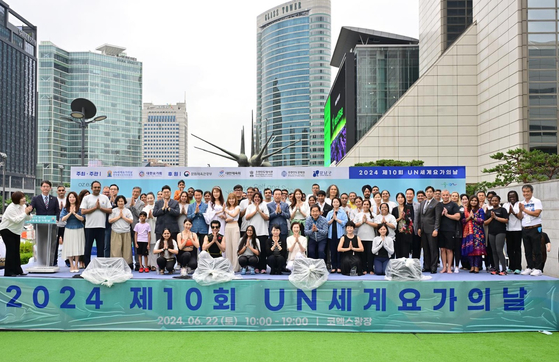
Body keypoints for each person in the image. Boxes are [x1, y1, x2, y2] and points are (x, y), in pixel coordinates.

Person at [0, 192, 33, 276]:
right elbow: (16, 220)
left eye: (24, 197)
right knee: (11, 250)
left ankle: (18, 270)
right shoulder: (11, 208)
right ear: (17, 199)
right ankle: (9, 272)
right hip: (7, 230)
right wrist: (25, 213)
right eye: (22, 198)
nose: (24, 199)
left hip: (16, 231)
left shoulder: (24, 206)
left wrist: (28, 212)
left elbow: (28, 218)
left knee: (16, 251)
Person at [80, 181, 112, 267]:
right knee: (88, 248)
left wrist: (100, 208)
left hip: (101, 226)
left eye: (98, 187)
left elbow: (110, 210)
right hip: (89, 226)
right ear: (91, 188)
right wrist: (94, 208)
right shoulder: (87, 198)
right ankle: (87, 266)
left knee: (100, 249)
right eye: (95, 187)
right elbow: (83, 211)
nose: (97, 189)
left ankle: (100, 267)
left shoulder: (104, 197)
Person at [30, 180, 61, 266]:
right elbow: (31, 208)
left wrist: (56, 219)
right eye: (44, 186)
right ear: (41, 188)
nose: (45, 188)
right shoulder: (36, 199)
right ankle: (41, 262)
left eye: (47, 186)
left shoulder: (54, 199)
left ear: (50, 188)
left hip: (52, 225)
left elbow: (57, 211)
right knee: (41, 244)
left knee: (51, 244)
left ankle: (50, 262)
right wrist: (28, 210)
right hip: (40, 226)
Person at [518, 184, 544, 276]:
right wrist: (521, 210)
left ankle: (538, 268)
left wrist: (524, 209)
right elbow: (520, 217)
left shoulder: (536, 201)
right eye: (524, 192)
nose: (526, 193)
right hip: (525, 228)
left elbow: (536, 213)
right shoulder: (522, 203)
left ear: (531, 192)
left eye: (528, 191)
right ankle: (530, 266)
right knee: (527, 249)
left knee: (536, 248)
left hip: (535, 227)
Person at [435, 190, 461, 274]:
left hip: (450, 230)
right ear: (441, 196)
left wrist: (447, 215)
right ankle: (444, 267)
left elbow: (458, 217)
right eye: (444, 195)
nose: (445, 196)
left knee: (449, 249)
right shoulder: (439, 204)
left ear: (449, 195)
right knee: (442, 249)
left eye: (447, 195)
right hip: (441, 230)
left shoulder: (454, 204)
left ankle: (449, 267)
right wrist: (441, 214)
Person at [417, 186, 440, 273]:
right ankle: (426, 266)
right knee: (425, 249)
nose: (429, 193)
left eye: (430, 192)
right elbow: (421, 216)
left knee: (433, 249)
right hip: (423, 229)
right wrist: (419, 227)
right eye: (427, 192)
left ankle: (433, 267)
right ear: (425, 193)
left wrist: (436, 229)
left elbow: (438, 218)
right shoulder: (422, 203)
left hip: (432, 230)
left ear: (433, 193)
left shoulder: (437, 203)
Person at [60, 191, 85, 273]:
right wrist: (70, 213)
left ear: (76, 198)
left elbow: (82, 219)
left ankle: (76, 264)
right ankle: (71, 265)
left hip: (79, 229)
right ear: (68, 199)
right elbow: (63, 219)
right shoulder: (65, 208)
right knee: (69, 247)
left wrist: (74, 213)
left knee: (77, 247)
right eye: (70, 197)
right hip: (68, 229)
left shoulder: (80, 208)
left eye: (73, 197)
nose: (72, 199)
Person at [245, 191, 270, 273]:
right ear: (253, 198)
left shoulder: (264, 205)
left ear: (261, 198)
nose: (257, 198)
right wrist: (255, 211)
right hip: (253, 232)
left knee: (262, 251)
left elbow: (267, 217)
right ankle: (255, 267)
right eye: (255, 197)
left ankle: (263, 268)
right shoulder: (250, 206)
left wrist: (259, 211)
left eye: (258, 197)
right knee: (255, 251)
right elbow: (247, 217)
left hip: (263, 232)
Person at [484, 195, 509, 275]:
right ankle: (496, 268)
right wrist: (491, 218)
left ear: (499, 201)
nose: (494, 202)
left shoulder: (502, 210)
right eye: (492, 201)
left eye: (496, 200)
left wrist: (496, 217)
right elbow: (485, 222)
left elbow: (506, 220)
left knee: (499, 250)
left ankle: (504, 269)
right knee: (493, 251)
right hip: (491, 232)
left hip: (500, 232)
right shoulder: (489, 211)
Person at [461, 195, 486, 273]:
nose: (473, 202)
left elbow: (482, 220)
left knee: (477, 250)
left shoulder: (480, 210)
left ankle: (476, 266)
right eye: (472, 200)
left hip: (478, 232)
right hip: (468, 233)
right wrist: (469, 217)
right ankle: (471, 266)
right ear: (469, 201)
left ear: (477, 202)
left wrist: (474, 218)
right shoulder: (466, 210)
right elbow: (462, 221)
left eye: (475, 200)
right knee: (470, 249)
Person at [109, 195, 134, 266]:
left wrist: (123, 217)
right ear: (116, 202)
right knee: (116, 249)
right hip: (116, 232)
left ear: (124, 202)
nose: (120, 203)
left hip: (126, 232)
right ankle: (116, 265)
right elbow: (110, 220)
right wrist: (118, 217)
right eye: (119, 201)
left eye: (122, 201)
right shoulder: (113, 211)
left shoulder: (127, 211)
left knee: (127, 250)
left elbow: (131, 221)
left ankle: (127, 264)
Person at [354, 199, 376, 275]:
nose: (366, 206)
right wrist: (362, 222)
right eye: (364, 204)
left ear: (369, 206)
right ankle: (364, 268)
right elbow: (354, 225)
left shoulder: (373, 214)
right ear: (362, 205)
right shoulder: (358, 215)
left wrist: (367, 222)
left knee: (370, 254)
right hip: (360, 237)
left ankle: (370, 268)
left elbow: (376, 225)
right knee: (362, 254)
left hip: (371, 237)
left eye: (367, 204)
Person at [503, 190, 522, 274]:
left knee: (517, 249)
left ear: (516, 197)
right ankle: (511, 266)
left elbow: (520, 217)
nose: (512, 198)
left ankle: (518, 267)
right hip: (508, 229)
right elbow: (504, 216)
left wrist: (513, 213)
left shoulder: (520, 204)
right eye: (510, 197)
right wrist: (508, 213)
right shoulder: (505, 205)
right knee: (509, 249)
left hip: (518, 229)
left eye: (513, 196)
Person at [326, 198, 348, 273]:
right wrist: (332, 220)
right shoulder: (330, 213)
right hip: (331, 235)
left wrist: (337, 219)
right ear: (332, 203)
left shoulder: (342, 212)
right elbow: (326, 223)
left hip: (340, 234)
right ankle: (333, 266)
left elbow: (345, 222)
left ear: (339, 203)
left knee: (339, 251)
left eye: (337, 202)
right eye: (334, 202)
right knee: (332, 251)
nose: (335, 203)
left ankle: (339, 267)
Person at [126, 186, 145, 271]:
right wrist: (130, 206)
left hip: (136, 227)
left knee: (136, 246)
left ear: (139, 193)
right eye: (134, 191)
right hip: (126, 226)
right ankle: (129, 263)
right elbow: (125, 211)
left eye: (137, 192)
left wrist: (133, 207)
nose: (135, 193)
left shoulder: (141, 203)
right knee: (128, 246)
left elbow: (139, 215)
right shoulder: (126, 200)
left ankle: (138, 263)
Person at [392, 192, 414, 258]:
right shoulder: (394, 209)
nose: (400, 199)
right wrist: (400, 218)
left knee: (405, 251)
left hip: (406, 232)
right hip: (397, 232)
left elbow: (411, 220)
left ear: (404, 199)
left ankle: (405, 267)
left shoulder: (409, 208)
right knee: (398, 251)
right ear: (396, 199)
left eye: (402, 197)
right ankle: (399, 267)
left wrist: (404, 228)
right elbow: (393, 221)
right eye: (398, 197)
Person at [223, 193, 241, 271]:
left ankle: (235, 267)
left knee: (235, 246)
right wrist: (226, 217)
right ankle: (229, 266)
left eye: (233, 199)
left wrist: (226, 211)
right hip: (228, 227)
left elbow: (234, 215)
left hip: (235, 226)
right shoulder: (226, 208)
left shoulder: (237, 207)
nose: (231, 200)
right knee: (228, 247)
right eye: (230, 199)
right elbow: (226, 219)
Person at [142, 192, 157, 271]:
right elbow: (141, 219)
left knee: (154, 247)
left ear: (154, 198)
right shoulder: (145, 208)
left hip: (155, 228)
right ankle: (148, 264)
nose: (150, 199)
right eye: (148, 198)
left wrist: (153, 217)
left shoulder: (157, 207)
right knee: (147, 248)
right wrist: (148, 217)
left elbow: (160, 219)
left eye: (151, 198)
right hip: (146, 230)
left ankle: (154, 265)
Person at [55, 185, 67, 266]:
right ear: (57, 191)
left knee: (67, 244)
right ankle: (54, 260)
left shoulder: (68, 200)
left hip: (66, 225)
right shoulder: (54, 200)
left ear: (65, 191)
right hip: (56, 225)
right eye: (59, 190)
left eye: (63, 190)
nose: (61, 192)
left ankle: (68, 261)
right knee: (55, 244)